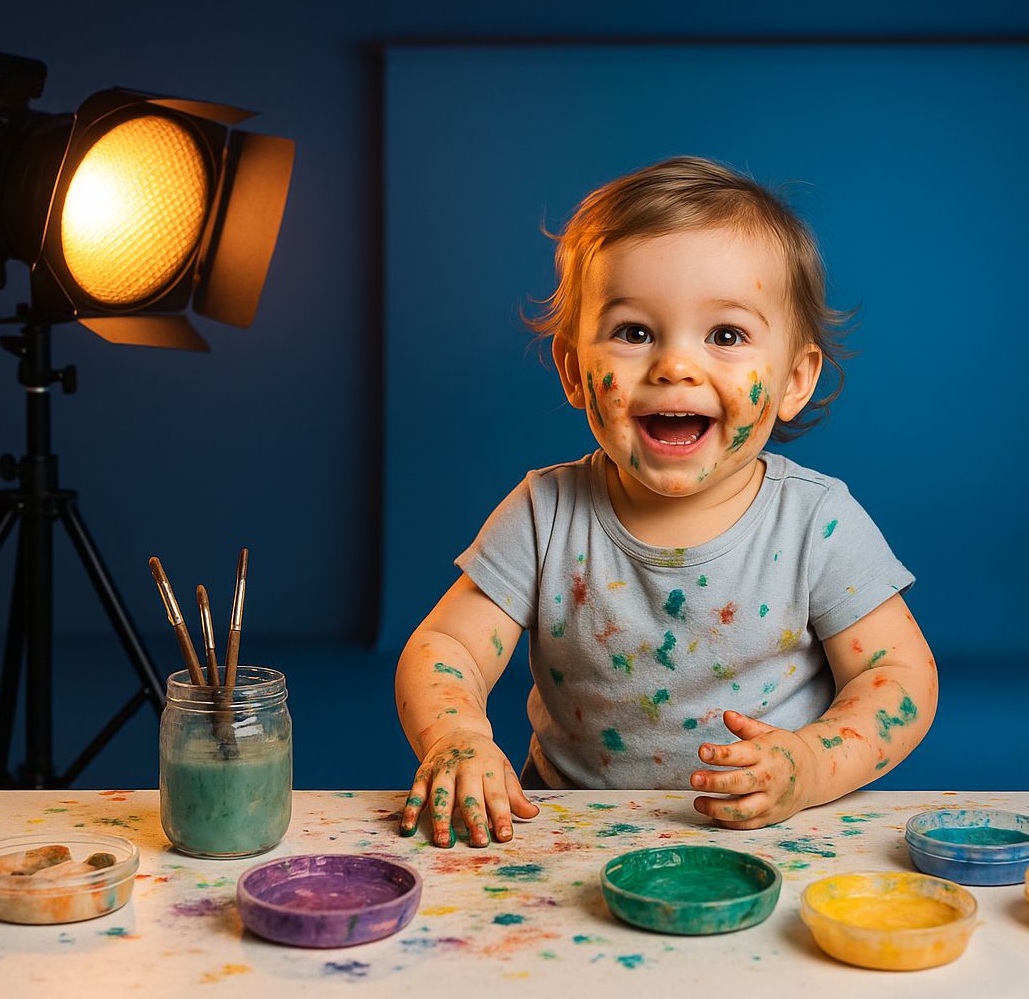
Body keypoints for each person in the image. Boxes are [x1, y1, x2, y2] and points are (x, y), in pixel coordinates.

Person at [395, 156, 937, 848]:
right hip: (564, 837)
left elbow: (899, 676)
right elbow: (447, 647)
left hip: (767, 836)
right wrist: (459, 737)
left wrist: (810, 763)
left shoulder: (816, 523)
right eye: (634, 332)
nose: (675, 365)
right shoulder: (545, 513)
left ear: (794, 379)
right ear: (573, 371)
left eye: (726, 336)